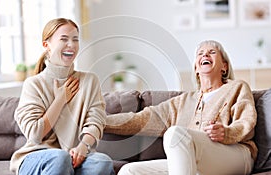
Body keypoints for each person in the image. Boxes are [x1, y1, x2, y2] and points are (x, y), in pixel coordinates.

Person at [105, 40, 257, 175]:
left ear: (224, 66)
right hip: (197, 161)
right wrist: (99, 121)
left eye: (212, 52)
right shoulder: (182, 101)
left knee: (175, 134)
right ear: (196, 69)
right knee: (129, 171)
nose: (205, 56)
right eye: (200, 54)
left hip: (235, 155)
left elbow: (246, 122)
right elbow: (139, 120)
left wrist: (227, 132)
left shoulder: (237, 87)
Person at [10, 18, 115, 175]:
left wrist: (83, 146)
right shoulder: (33, 84)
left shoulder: (89, 81)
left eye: (75, 40)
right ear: (47, 45)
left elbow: (96, 122)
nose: (71, 45)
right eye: (64, 39)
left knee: (102, 162)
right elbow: (35, 134)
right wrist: (60, 99)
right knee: (60, 158)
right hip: (36, 157)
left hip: (73, 156)